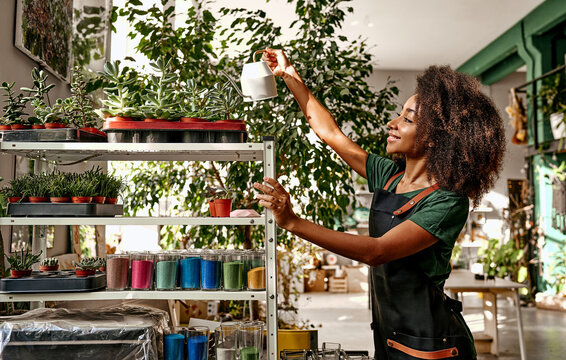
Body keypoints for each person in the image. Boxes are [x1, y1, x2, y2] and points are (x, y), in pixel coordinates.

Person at [254, 48, 505, 360]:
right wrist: (290, 76)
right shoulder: (389, 175)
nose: (392, 122)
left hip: (433, 343)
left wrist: (292, 222)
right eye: (399, 114)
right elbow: (329, 133)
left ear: (435, 138)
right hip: (388, 332)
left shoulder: (447, 201)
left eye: (407, 119)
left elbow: (377, 251)